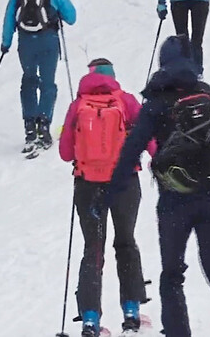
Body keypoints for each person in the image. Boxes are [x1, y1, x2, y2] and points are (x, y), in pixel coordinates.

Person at [107, 35, 210, 337]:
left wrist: (112, 189)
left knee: (172, 275)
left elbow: (132, 149)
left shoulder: (155, 104)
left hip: (174, 201)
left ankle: (178, 332)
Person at [59, 59, 155, 336]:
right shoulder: (125, 101)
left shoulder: (78, 105)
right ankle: (132, 313)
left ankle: (90, 320)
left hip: (88, 186)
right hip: (124, 183)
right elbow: (148, 138)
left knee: (93, 249)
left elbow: (66, 153)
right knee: (126, 243)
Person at [2, 0, 77, 153]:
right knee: (47, 83)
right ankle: (44, 126)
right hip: (48, 41)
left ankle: (29, 128)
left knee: (28, 80)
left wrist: (5, 43)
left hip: (26, 42)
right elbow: (72, 17)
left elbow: (9, 16)